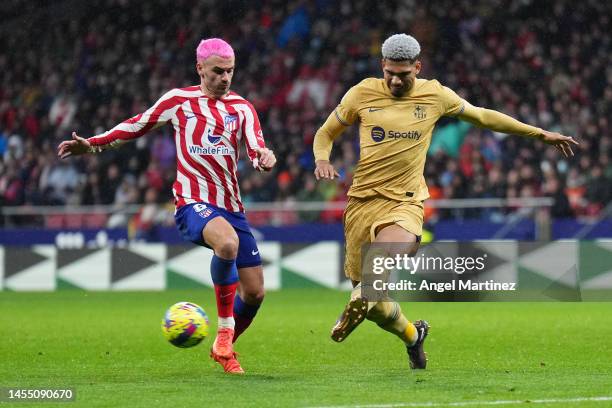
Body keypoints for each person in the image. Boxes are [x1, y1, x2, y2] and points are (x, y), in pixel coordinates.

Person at [312, 34, 578, 370]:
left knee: (378, 267)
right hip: (362, 204)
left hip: (405, 203)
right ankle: (412, 335)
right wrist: (322, 159)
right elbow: (325, 133)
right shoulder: (361, 93)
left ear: (418, 67)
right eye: (390, 72)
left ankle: (366, 289)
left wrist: (539, 133)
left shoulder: (435, 94)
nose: (395, 80)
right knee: (375, 305)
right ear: (382, 66)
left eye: (403, 74)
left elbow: (482, 116)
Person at [58, 38, 276, 375]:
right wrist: (95, 145)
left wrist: (264, 158)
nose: (225, 77)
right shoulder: (179, 101)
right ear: (200, 68)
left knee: (256, 292)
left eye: (230, 71)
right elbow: (136, 124)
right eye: (218, 71)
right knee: (228, 243)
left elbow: (257, 148)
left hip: (231, 207)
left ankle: (225, 347)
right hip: (192, 202)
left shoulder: (242, 108)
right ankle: (222, 334)